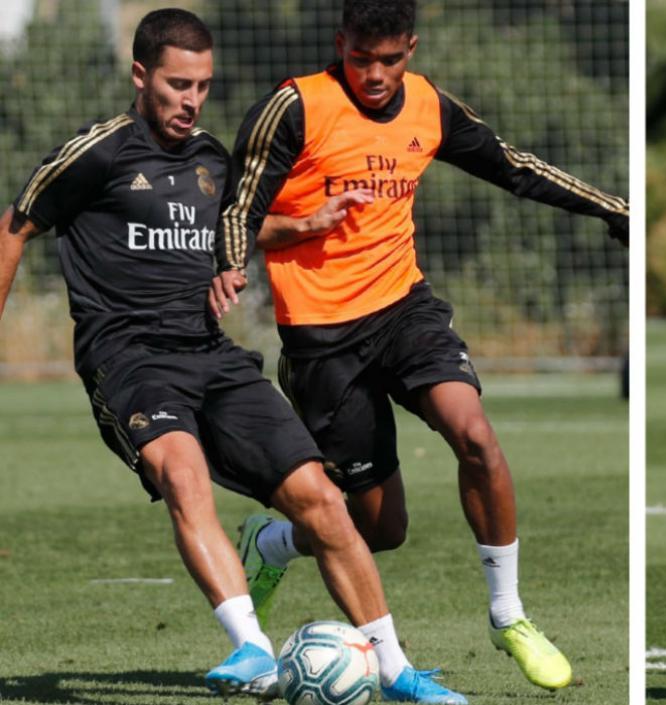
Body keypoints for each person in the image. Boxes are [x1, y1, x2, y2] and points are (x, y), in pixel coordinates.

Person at [0, 8, 466, 705]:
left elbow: (242, 228)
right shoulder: (95, 154)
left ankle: (397, 669)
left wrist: (303, 225)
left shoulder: (214, 158)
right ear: (140, 76)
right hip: (129, 360)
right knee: (184, 474)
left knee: (322, 499)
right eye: (177, 85)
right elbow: (13, 230)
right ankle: (251, 643)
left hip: (212, 354)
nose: (191, 101)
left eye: (203, 86)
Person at [209, 0, 628, 693]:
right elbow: (238, 209)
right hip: (321, 341)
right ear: (341, 43)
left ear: (411, 46)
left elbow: (513, 166)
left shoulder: (427, 103)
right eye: (361, 58)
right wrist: (234, 259)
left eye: (391, 59)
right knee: (378, 530)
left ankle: (508, 614)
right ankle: (274, 542)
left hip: (405, 310)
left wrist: (612, 206)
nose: (375, 75)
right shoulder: (295, 107)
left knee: (476, 435)